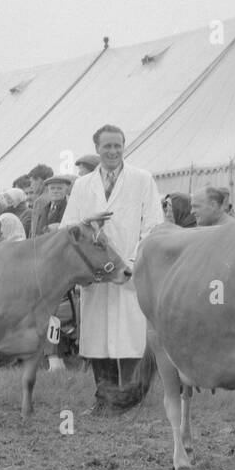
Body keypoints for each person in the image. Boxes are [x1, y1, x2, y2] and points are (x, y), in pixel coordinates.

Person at [61, 124, 163, 414]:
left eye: (117, 145)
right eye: (107, 146)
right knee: (98, 338)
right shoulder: (82, 185)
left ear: (124, 146)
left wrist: (132, 262)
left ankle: (127, 401)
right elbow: (67, 228)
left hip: (130, 270)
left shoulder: (142, 179)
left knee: (130, 335)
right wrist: (87, 222)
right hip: (96, 273)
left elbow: (153, 224)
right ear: (97, 149)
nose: (113, 151)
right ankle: (103, 400)